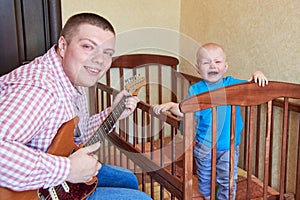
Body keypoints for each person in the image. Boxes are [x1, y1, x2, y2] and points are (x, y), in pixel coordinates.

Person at [0, 13, 151, 200]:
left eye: (107, 53)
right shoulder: (40, 89)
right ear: (63, 46)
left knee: (128, 180)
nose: (100, 60)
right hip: (36, 191)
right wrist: (68, 170)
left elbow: (77, 137)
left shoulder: (74, 79)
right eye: (88, 47)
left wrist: (114, 113)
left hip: (55, 178)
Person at [153, 43, 268, 200]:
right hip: (204, 144)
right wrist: (172, 105)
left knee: (227, 179)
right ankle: (207, 196)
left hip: (229, 144)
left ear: (225, 66)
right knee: (205, 177)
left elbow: (251, 86)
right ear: (198, 68)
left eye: (218, 62)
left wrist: (257, 73)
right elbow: (184, 110)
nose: (212, 65)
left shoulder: (232, 85)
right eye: (206, 62)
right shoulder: (196, 90)